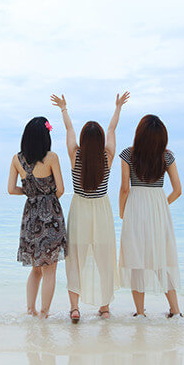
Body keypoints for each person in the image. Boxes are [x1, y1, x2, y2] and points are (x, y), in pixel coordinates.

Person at [51, 92, 129, 323]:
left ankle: (75, 309)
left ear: (83, 141)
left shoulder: (75, 155)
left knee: (76, 259)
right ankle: (104, 308)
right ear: (101, 140)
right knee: (104, 258)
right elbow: (112, 130)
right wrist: (118, 108)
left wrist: (64, 108)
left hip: (80, 208)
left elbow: (69, 131)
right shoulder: (108, 156)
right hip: (101, 210)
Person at [118, 114, 183, 318]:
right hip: (158, 210)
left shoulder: (128, 154)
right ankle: (175, 310)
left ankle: (140, 313)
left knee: (136, 260)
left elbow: (124, 188)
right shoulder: (167, 156)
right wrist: (161, 204)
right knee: (160, 261)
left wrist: (122, 212)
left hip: (135, 208)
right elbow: (177, 190)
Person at [7, 116, 68, 319]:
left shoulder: (17, 159)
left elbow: (10, 189)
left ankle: (30, 309)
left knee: (35, 270)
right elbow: (61, 189)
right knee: (50, 270)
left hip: (30, 216)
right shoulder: (51, 158)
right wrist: (47, 199)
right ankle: (44, 313)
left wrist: (30, 194)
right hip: (51, 216)